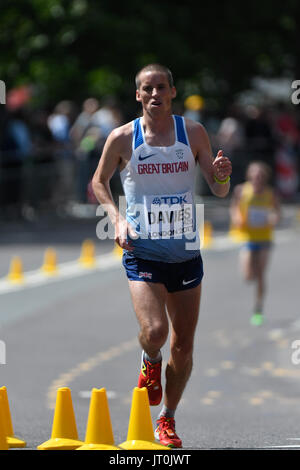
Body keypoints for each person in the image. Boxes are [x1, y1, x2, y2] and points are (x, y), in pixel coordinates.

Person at [92, 64, 232, 448]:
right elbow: (98, 181)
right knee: (155, 332)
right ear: (137, 95)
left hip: (185, 252)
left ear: (173, 92)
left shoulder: (194, 133)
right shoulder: (122, 138)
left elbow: (219, 191)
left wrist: (221, 175)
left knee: (183, 346)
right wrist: (117, 219)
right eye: (147, 89)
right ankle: (149, 358)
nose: (154, 94)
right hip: (143, 252)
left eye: (161, 88)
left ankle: (166, 419)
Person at [230, 161, 280, 326]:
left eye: (260, 175)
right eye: (255, 174)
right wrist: (237, 217)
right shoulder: (241, 191)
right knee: (248, 276)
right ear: (250, 175)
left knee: (260, 275)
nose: (257, 178)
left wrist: (274, 218)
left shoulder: (270, 193)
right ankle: (252, 278)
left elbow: (277, 211)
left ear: (264, 177)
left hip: (265, 238)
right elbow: (234, 207)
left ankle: (258, 309)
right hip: (248, 238)